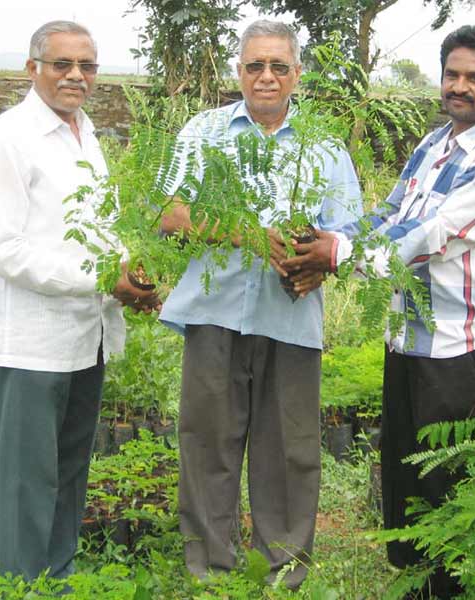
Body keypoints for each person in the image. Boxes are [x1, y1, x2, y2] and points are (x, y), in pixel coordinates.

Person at [281, 25, 475, 598]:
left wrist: (337, 254)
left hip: (459, 345)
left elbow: (431, 237)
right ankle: (412, 579)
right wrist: (329, 240)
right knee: (404, 465)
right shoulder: (434, 144)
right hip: (409, 335)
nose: (460, 87)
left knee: (446, 477)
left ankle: (446, 587)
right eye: (453, 75)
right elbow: (394, 213)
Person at [158, 19, 363, 590]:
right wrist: (245, 232)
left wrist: (312, 267)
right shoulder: (205, 132)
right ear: (239, 73)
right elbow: (169, 214)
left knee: (289, 452)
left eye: (278, 66)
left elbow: (346, 236)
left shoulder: (325, 146)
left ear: (297, 75)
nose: (266, 77)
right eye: (255, 66)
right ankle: (210, 568)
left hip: (289, 315)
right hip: (213, 311)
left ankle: (283, 571)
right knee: (207, 445)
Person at [0, 20, 156, 583]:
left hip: (86, 332)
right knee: (30, 472)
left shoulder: (85, 133)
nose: (77, 76)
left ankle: (59, 572)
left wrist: (130, 270)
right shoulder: (5, 140)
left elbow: (97, 228)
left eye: (88, 66)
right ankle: (23, 581)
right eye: (62, 64)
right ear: (33, 69)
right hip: (34, 336)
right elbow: (7, 251)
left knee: (71, 463)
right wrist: (107, 278)